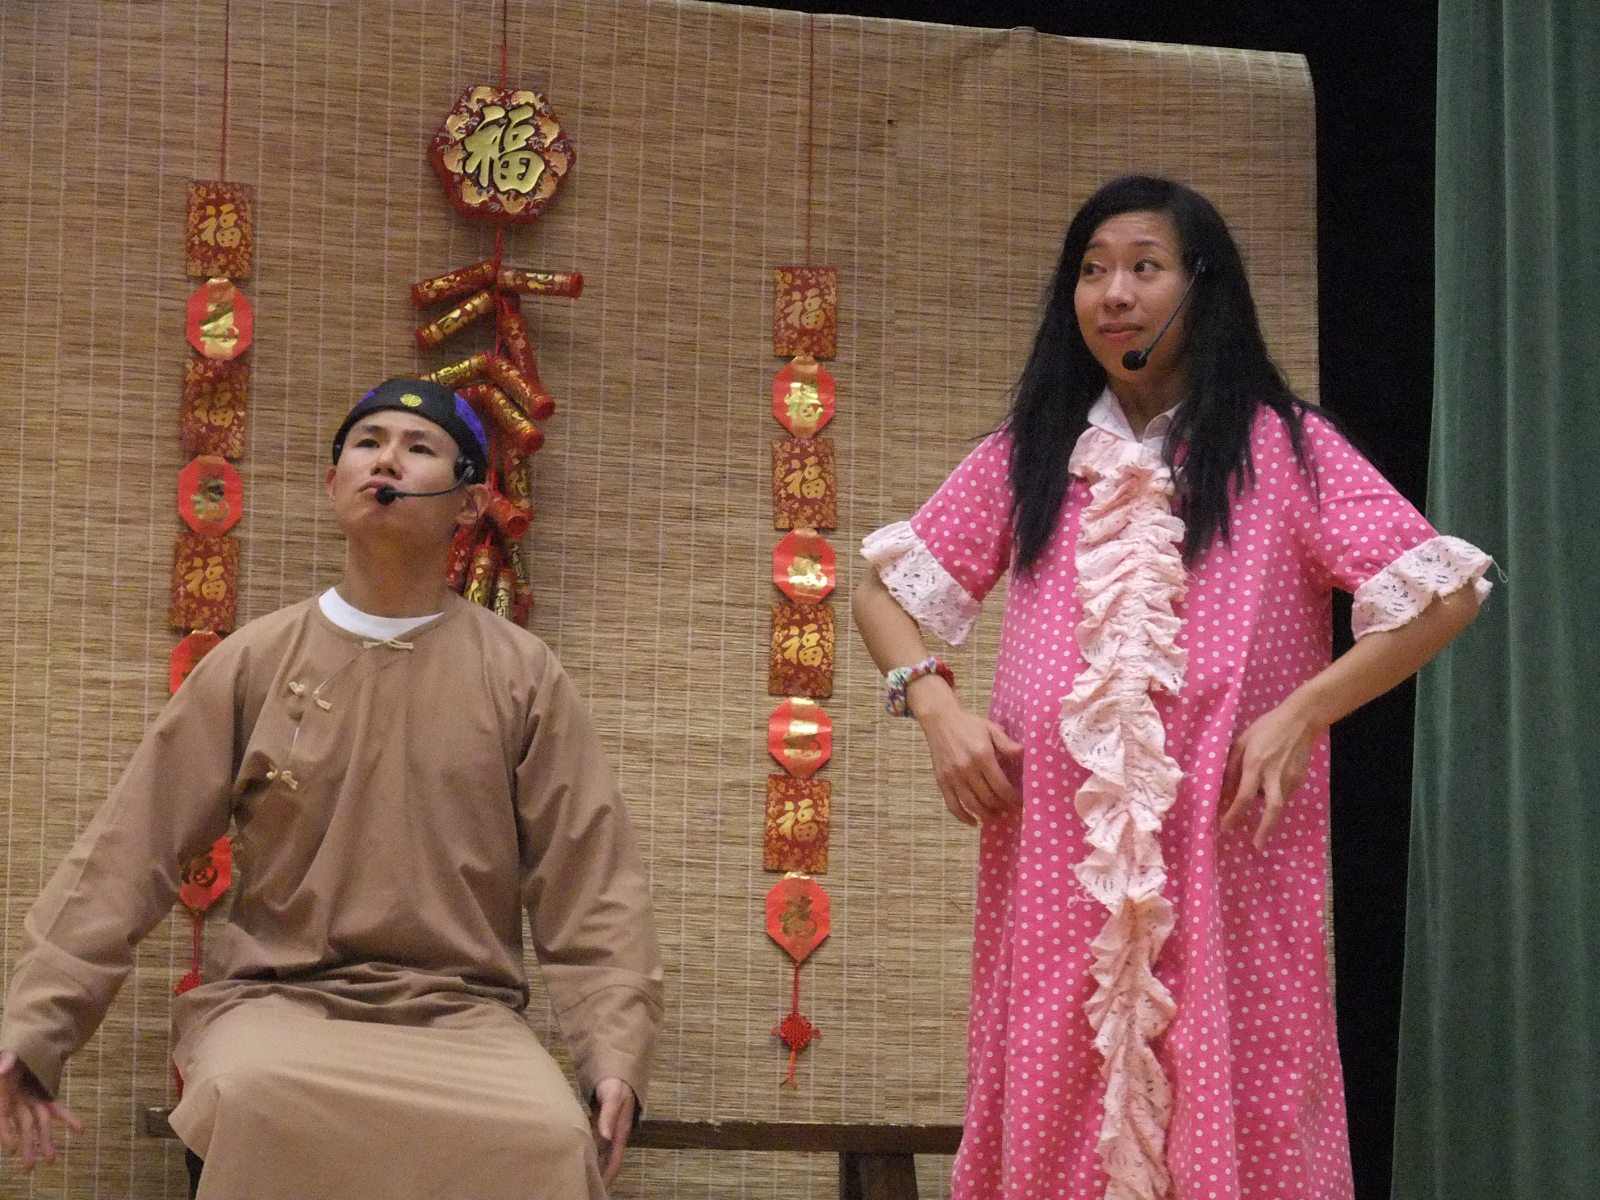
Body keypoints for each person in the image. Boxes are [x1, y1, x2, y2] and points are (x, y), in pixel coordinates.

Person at [852, 176, 1491, 1200]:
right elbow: (882, 594)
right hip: (1056, 854)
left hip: (1227, 844)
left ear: (1202, 287)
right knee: (1057, 1073)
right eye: (1092, 270)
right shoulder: (1035, 451)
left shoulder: (1282, 448)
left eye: (1143, 268)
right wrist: (932, 704)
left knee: (1242, 1081)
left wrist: (1304, 713)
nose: (1113, 294)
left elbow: (1445, 593)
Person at [0, 378, 664, 1199]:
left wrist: (613, 1056)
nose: (387, 459)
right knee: (251, 1098)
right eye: (367, 443)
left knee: (549, 1137)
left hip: (463, 1019)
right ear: (332, 483)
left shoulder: (522, 676)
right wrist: (39, 1027)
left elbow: (590, 880)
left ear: (468, 503)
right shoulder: (256, 660)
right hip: (279, 1007)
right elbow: (130, 848)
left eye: (419, 448)